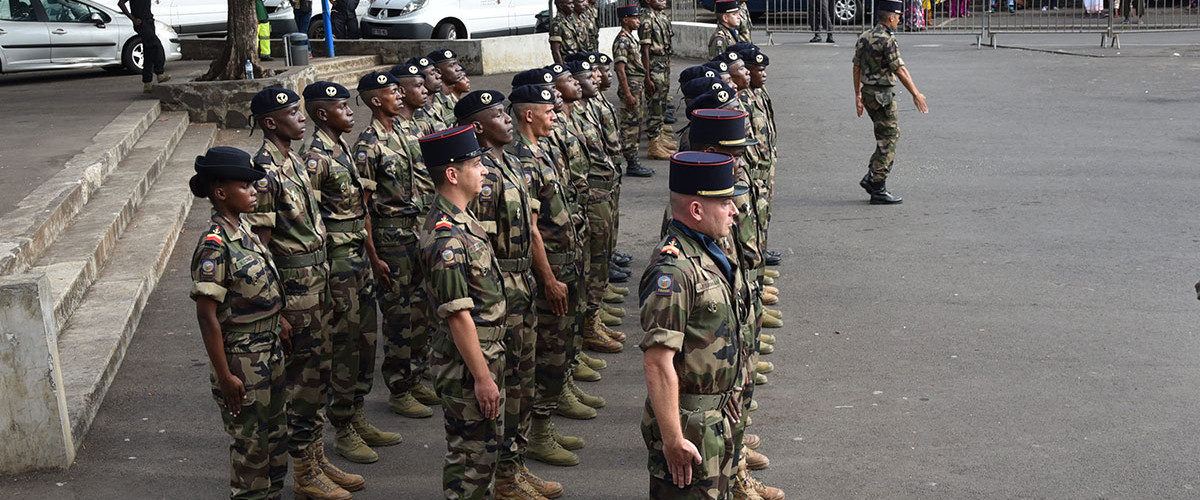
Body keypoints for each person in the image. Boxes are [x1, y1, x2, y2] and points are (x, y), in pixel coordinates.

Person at [244, 88, 360, 499]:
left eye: (300, 111)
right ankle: (305, 473)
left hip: (318, 281)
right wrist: (276, 311)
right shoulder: (264, 171)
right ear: (270, 122)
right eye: (292, 113)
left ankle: (315, 458)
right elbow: (260, 247)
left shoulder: (292, 160)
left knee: (319, 376)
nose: (302, 119)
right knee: (302, 383)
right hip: (295, 292)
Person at [455, 89, 564, 500]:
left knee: (522, 381)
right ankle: (502, 474)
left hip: (521, 284)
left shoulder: (511, 164)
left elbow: (531, 227)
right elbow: (477, 248)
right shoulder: (480, 177)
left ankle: (512, 467)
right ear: (478, 127)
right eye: (498, 115)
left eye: (506, 113)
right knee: (504, 382)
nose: (507, 120)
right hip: (497, 288)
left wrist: (543, 278)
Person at [639, 151, 753, 500]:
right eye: (724, 203)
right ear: (697, 210)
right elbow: (658, 362)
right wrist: (673, 439)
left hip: (715, 417)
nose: (734, 211)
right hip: (690, 425)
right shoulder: (673, 271)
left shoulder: (708, 251)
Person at [301, 81, 403, 465]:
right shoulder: (316, 158)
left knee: (365, 339)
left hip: (358, 256)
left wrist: (374, 257)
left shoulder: (341, 147)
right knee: (343, 343)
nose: (350, 112)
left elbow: (361, 211)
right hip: (338, 262)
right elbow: (308, 219)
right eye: (342, 107)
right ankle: (342, 426)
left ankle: (357, 411)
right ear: (322, 113)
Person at [685, 109, 783, 500]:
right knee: (721, 406)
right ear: (710, 151)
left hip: (736, 312)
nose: (742, 159)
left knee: (736, 397)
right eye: (733, 152)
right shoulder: (702, 207)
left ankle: (735, 466)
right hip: (713, 340)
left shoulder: (723, 191)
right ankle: (733, 470)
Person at [189, 146, 288, 500]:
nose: (255, 190)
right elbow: (206, 315)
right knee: (251, 447)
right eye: (245, 186)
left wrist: (281, 322)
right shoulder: (215, 245)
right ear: (220, 193)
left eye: (254, 184)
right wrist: (226, 375)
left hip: (269, 350)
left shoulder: (244, 231)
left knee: (275, 439)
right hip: (242, 359)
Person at [417, 124, 508, 500]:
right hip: (468, 365)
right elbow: (458, 316)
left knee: (482, 455)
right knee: (471, 460)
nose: (484, 170)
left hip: (483, 355)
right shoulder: (447, 238)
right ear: (452, 174)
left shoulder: (462, 220)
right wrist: (483, 378)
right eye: (475, 164)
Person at [507, 84, 589, 470]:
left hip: (565, 261)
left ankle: (545, 423)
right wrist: (549, 278)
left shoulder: (542, 149)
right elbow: (532, 229)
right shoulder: (522, 158)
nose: (555, 112)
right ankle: (537, 432)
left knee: (562, 345)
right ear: (528, 114)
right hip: (550, 268)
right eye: (546, 108)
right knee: (548, 354)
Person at [354, 69, 438, 420]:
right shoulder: (368, 144)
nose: (399, 95)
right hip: (391, 240)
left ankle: (417, 375)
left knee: (423, 310)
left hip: (418, 233)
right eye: (392, 92)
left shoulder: (409, 130)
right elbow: (363, 207)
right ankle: (399, 388)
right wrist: (373, 257)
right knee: (399, 316)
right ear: (376, 101)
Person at [852, 0, 928, 205]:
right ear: (891, 17)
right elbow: (899, 69)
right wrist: (916, 94)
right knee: (889, 139)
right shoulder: (887, 40)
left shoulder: (864, 36)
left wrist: (857, 95)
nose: (900, 19)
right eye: (898, 16)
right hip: (882, 96)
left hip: (868, 93)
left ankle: (871, 177)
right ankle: (878, 187)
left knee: (884, 136)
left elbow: (856, 67)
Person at [613, 5, 655, 178]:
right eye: (635, 18)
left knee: (636, 123)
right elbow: (620, 69)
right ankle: (631, 161)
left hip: (636, 86)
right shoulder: (622, 40)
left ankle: (633, 158)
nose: (638, 21)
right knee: (630, 125)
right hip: (630, 86)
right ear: (625, 20)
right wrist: (628, 93)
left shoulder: (630, 38)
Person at [640, 0, 676, 160]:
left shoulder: (661, 17)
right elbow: (645, 51)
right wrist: (647, 77)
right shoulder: (647, 21)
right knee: (654, 102)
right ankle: (654, 145)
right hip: (654, 65)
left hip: (663, 63)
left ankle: (660, 136)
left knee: (661, 101)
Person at [117, 0, 169, 92]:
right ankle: (160, 73)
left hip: (149, 21)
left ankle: (147, 82)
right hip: (141, 23)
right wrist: (133, 19)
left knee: (148, 51)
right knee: (156, 45)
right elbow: (121, 3)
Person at [549, 0, 580, 65]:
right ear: (561, 6)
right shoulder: (557, 24)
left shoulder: (571, 20)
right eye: (570, 4)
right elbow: (555, 51)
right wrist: (562, 68)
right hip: (567, 63)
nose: (573, 6)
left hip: (577, 60)